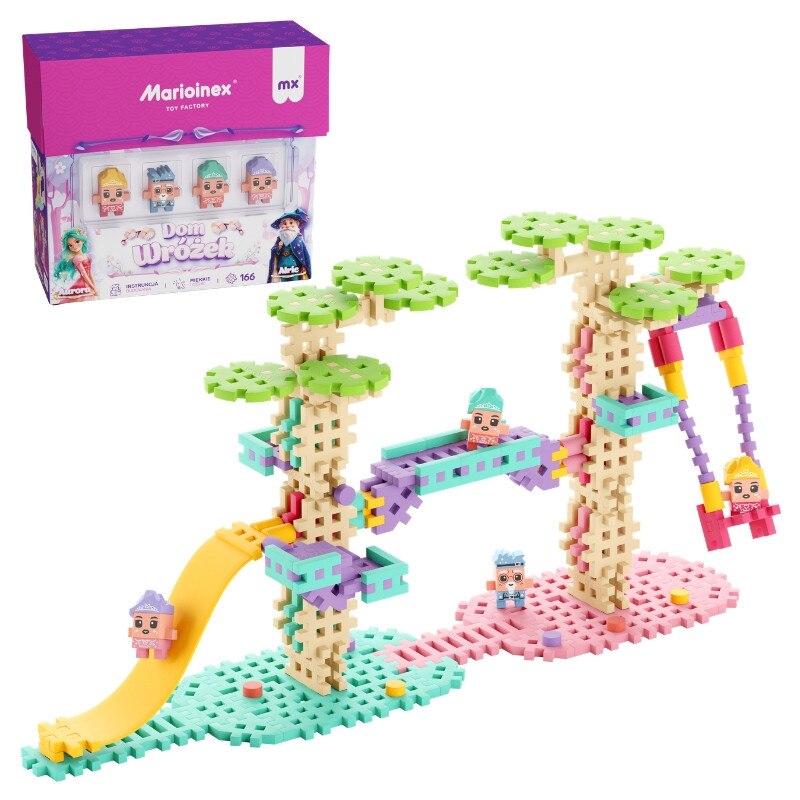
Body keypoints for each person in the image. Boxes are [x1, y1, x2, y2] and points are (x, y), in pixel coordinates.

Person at [268, 209, 311, 282]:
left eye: (291, 223)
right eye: (284, 223)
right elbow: (274, 251)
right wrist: (278, 247)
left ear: (297, 224)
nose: (287, 226)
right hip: (282, 268)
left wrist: (304, 266)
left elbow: (304, 255)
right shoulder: (279, 239)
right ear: (280, 226)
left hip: (295, 268)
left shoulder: (298, 239)